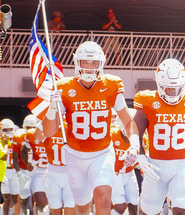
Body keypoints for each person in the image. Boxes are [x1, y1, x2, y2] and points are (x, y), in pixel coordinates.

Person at [42, 41, 138, 215]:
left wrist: (135, 145)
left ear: (101, 64)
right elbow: (48, 131)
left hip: (102, 153)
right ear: (77, 63)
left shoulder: (111, 84)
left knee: (103, 199)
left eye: (94, 63)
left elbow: (128, 121)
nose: (89, 67)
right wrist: (52, 107)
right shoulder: (64, 87)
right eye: (85, 62)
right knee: (83, 207)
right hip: (74, 155)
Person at [133, 58, 185, 215]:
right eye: (168, 89)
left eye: (177, 88)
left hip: (182, 165)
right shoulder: (147, 100)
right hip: (155, 166)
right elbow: (135, 131)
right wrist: (140, 157)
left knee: (182, 211)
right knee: (149, 212)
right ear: (159, 85)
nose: (173, 92)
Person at [38, 121, 75, 215]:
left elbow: (37, 134)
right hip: (62, 172)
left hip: (58, 173)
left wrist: (44, 120)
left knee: (63, 207)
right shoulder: (73, 129)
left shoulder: (49, 129)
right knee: (62, 207)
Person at [111, 111, 139, 215]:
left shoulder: (140, 138)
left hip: (129, 173)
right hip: (115, 173)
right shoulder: (112, 134)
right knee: (120, 207)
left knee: (134, 206)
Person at [13, 114, 38, 215]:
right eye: (28, 128)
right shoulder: (19, 136)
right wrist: (19, 173)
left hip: (38, 170)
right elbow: (15, 157)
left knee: (39, 195)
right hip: (24, 170)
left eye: (33, 127)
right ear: (24, 127)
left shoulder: (41, 135)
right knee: (23, 197)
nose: (31, 130)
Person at [0, 119, 18, 215]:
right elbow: (4, 156)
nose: (8, 132)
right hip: (4, 172)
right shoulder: (1, 142)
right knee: (7, 198)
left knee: (15, 199)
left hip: (14, 171)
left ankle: (8, 212)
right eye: (5, 130)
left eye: (10, 129)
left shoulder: (16, 140)